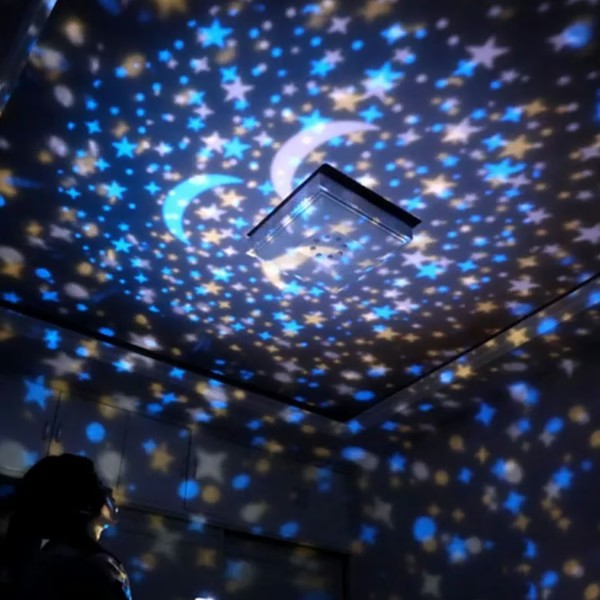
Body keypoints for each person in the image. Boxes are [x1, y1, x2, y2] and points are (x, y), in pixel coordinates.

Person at [2, 454, 132, 600]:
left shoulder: (45, 560)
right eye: (99, 484)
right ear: (83, 504)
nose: (109, 490)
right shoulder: (98, 567)